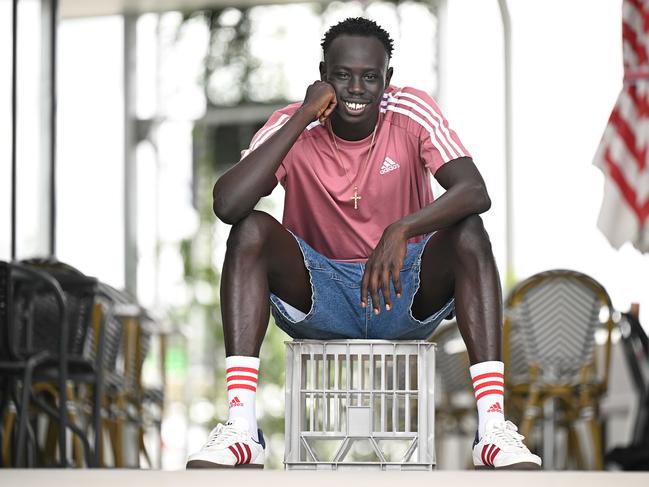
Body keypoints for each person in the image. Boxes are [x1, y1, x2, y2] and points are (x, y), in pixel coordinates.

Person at [186, 17, 542, 470]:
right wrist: (301, 116)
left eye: (370, 76)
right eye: (343, 75)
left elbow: (475, 191)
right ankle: (242, 430)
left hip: (402, 291)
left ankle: (492, 430)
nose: (357, 88)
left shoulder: (410, 111)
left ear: (387, 78)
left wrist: (402, 229)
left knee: (470, 231)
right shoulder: (291, 123)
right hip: (319, 297)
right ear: (322, 74)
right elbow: (228, 204)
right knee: (250, 229)